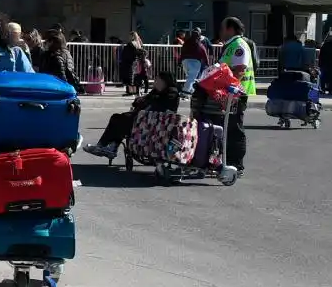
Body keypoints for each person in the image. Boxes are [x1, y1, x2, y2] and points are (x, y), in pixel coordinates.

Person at [194, 16, 253, 177]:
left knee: (234, 130)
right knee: (222, 128)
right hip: (225, 94)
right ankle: (219, 162)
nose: (220, 32)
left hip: (236, 94)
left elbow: (240, 70)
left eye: (222, 28)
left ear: (231, 29)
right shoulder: (230, 45)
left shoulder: (239, 45)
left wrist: (227, 90)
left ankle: (236, 165)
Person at [83, 72, 180, 159]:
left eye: (157, 80)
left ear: (165, 81)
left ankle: (108, 146)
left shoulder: (171, 93)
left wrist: (147, 102)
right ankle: (109, 146)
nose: (155, 83)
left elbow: (159, 107)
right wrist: (140, 101)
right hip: (143, 119)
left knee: (118, 119)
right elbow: (144, 100)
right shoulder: (156, 91)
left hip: (153, 124)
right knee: (118, 118)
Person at [179, 27, 211, 95]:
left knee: (190, 77)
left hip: (185, 62)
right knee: (191, 78)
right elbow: (204, 53)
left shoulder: (186, 42)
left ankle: (192, 90)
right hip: (196, 63)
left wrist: (179, 62)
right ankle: (185, 92)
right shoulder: (199, 44)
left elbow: (182, 52)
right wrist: (207, 64)